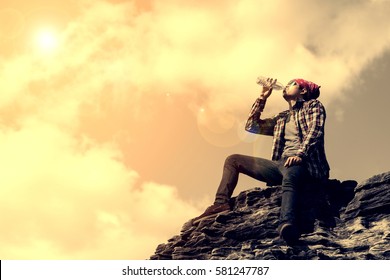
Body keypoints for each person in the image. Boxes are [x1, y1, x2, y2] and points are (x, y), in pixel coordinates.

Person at [192, 77, 330, 244]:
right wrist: (262, 97)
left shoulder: (313, 106)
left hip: (305, 164)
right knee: (233, 160)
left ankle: (287, 223)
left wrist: (300, 154)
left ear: (303, 91)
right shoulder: (282, 119)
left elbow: (315, 131)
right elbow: (251, 126)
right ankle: (220, 204)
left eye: (292, 83)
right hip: (280, 165)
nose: (286, 85)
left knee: (291, 176)